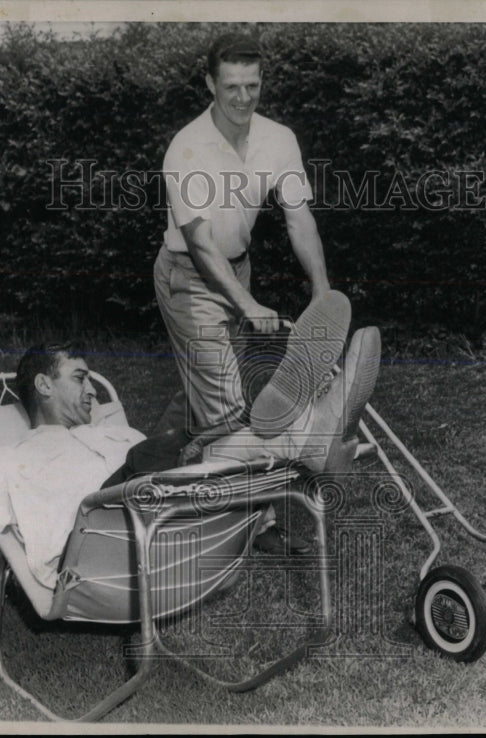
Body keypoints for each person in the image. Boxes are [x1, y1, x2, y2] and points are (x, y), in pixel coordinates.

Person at [0, 329, 380, 589]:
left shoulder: (112, 432)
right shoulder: (7, 461)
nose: (92, 390)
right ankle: (309, 433)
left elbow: (167, 455)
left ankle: (306, 430)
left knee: (196, 441)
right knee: (176, 446)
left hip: (180, 519)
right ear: (43, 388)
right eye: (79, 378)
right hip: (111, 544)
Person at [154, 32, 332, 553]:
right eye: (231, 86)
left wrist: (322, 294)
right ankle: (250, 527)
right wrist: (247, 305)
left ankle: (159, 461)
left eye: (252, 85)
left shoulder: (279, 139)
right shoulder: (185, 149)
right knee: (230, 404)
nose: (243, 97)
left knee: (219, 394)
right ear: (210, 83)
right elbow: (203, 247)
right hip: (190, 277)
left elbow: (299, 218)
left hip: (239, 271)